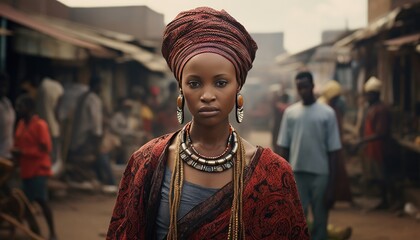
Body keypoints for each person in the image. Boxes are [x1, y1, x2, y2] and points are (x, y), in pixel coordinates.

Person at [107, 7, 308, 240]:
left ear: (238, 88)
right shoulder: (146, 161)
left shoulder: (272, 173)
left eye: (221, 83)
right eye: (194, 84)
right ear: (181, 89)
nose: (207, 95)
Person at [278, 71, 341, 240]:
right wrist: (282, 179)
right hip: (297, 173)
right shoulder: (290, 113)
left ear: (312, 86)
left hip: (321, 174)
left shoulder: (327, 113)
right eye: (300, 88)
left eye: (305, 87)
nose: (303, 91)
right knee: (298, 219)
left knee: (321, 219)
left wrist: (332, 186)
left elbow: (334, 151)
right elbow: (284, 148)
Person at [11, 94, 57, 240]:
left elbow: (46, 149)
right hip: (25, 169)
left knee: (42, 201)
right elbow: (17, 143)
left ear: (29, 108)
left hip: (38, 169)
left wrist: (23, 152)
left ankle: (52, 233)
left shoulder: (40, 125)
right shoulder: (21, 124)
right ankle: (35, 232)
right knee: (25, 203)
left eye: (21, 107)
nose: (18, 109)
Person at [354, 76, 392, 209]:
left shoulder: (381, 109)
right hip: (372, 147)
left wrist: (362, 141)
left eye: (370, 94)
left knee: (382, 175)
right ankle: (383, 200)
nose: (367, 97)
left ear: (376, 94)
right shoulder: (371, 108)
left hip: (379, 148)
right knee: (376, 174)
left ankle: (386, 201)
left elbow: (381, 133)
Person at [20, 75, 64, 171]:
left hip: (48, 129)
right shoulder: (55, 87)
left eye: (26, 91)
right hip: (54, 128)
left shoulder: (42, 90)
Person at [270, 84, 289, 155]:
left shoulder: (278, 106)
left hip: (277, 125)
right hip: (282, 127)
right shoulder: (289, 108)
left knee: (276, 140)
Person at [0, 73, 15, 160]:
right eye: (1, 85)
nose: (4, 88)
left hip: (7, 154)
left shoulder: (7, 103)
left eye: (6, 85)